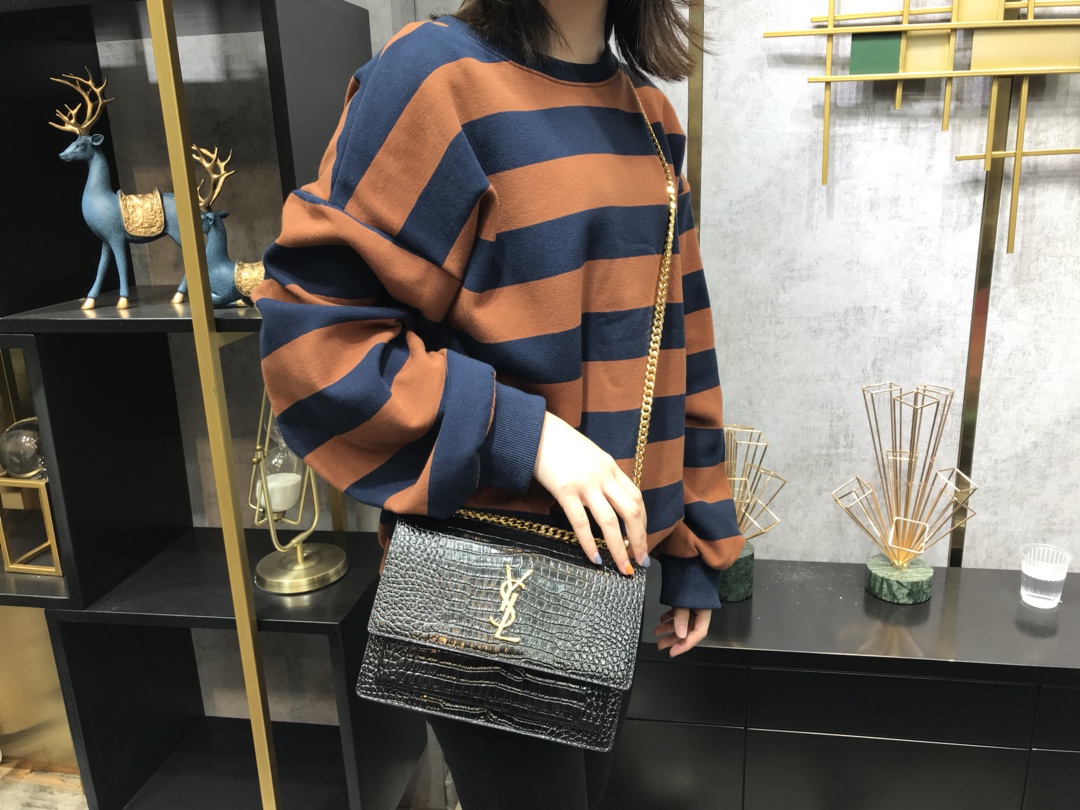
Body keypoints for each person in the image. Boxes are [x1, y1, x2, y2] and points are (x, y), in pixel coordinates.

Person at [252, 0, 746, 807]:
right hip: (483, 577)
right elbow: (316, 341)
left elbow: (679, 338)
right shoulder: (436, 77)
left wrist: (695, 542)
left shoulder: (648, 116)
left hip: (611, 575)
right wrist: (527, 434)